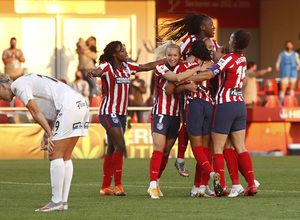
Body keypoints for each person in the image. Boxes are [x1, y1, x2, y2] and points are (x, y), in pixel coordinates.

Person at [0, 73, 89, 211]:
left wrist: (50, 133)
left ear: (3, 85)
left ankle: (56, 201)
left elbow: (35, 111)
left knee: (54, 154)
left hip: (69, 106)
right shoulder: (27, 81)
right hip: (80, 103)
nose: (1, 98)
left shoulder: (17, 85)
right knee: (65, 155)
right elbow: (52, 110)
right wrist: (46, 134)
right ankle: (62, 203)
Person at [86, 41, 165, 196]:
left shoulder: (127, 67)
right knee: (121, 145)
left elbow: (147, 66)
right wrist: (92, 72)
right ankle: (118, 185)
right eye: (122, 50)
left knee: (112, 148)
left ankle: (105, 187)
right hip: (108, 111)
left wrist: (165, 61)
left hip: (122, 114)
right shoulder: (107, 66)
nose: (125, 52)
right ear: (115, 54)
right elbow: (97, 70)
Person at [147, 40, 222, 199]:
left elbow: (176, 84)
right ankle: (153, 185)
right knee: (159, 149)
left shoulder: (190, 65)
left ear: (181, 55)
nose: (172, 58)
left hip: (175, 115)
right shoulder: (163, 67)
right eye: (169, 55)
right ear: (165, 56)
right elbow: (169, 89)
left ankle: (169, 180)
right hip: (161, 112)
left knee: (166, 152)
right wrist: (194, 75)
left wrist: (193, 77)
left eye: (175, 55)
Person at [188, 29, 258, 197]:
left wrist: (185, 77)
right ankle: (249, 184)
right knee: (240, 147)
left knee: (217, 148)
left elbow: (210, 73)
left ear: (234, 42)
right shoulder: (243, 58)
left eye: (231, 38)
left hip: (225, 105)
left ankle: (222, 187)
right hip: (240, 105)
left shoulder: (227, 59)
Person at [158, 13, 219, 177]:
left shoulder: (212, 43)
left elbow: (218, 57)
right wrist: (190, 69)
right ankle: (180, 158)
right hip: (188, 86)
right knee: (187, 124)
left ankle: (201, 184)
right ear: (202, 27)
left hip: (207, 92)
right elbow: (179, 60)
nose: (213, 28)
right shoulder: (188, 40)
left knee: (203, 136)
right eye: (211, 25)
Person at [275, 40, 300, 106]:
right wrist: (277, 66)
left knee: (292, 88)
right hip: (284, 73)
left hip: (293, 74)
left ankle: (292, 103)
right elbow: (278, 62)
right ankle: (280, 104)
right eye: (287, 45)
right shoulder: (282, 54)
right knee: (283, 88)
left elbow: (298, 62)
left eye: (290, 45)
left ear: (292, 46)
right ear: (285, 46)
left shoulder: (295, 54)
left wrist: (298, 66)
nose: (289, 46)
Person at [76, 37, 98, 104]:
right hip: (88, 70)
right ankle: (91, 101)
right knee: (93, 86)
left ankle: (86, 102)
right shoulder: (86, 50)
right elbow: (95, 56)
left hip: (84, 70)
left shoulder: (81, 50)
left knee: (86, 87)